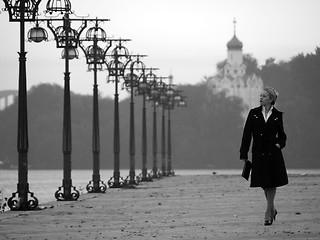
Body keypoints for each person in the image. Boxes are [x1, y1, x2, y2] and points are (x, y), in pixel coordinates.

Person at [240, 87, 288, 226]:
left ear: (271, 99)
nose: (261, 98)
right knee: (263, 184)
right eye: (260, 95)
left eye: (264, 96)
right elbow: (247, 134)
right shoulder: (253, 113)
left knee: (271, 183)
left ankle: (268, 213)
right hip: (258, 153)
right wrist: (244, 153)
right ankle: (272, 209)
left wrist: (279, 145)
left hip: (273, 153)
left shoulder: (278, 115)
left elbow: (282, 136)